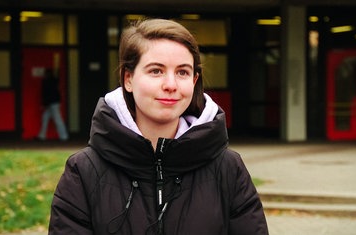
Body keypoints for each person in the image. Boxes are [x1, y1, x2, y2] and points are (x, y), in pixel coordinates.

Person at [48, 18, 268, 235]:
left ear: (194, 81)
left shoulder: (228, 169)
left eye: (182, 72)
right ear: (128, 79)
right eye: (156, 71)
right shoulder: (84, 171)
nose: (171, 85)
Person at [37, 69, 69, 141]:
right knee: (45, 118)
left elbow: (46, 94)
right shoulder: (54, 80)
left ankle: (64, 136)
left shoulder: (47, 81)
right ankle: (42, 136)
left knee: (57, 119)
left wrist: (44, 104)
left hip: (53, 103)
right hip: (53, 102)